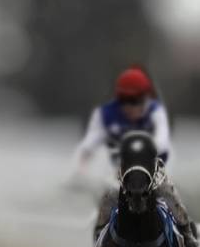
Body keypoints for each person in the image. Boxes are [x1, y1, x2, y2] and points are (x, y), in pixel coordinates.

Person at [71, 67, 191, 235]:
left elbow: (162, 142)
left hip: (152, 171)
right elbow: (89, 144)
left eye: (136, 100)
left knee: (169, 193)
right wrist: (81, 167)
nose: (130, 106)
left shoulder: (156, 112)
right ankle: (99, 237)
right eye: (125, 100)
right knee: (108, 197)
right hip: (120, 173)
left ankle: (187, 233)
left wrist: (139, 153)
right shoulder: (104, 114)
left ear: (145, 98)